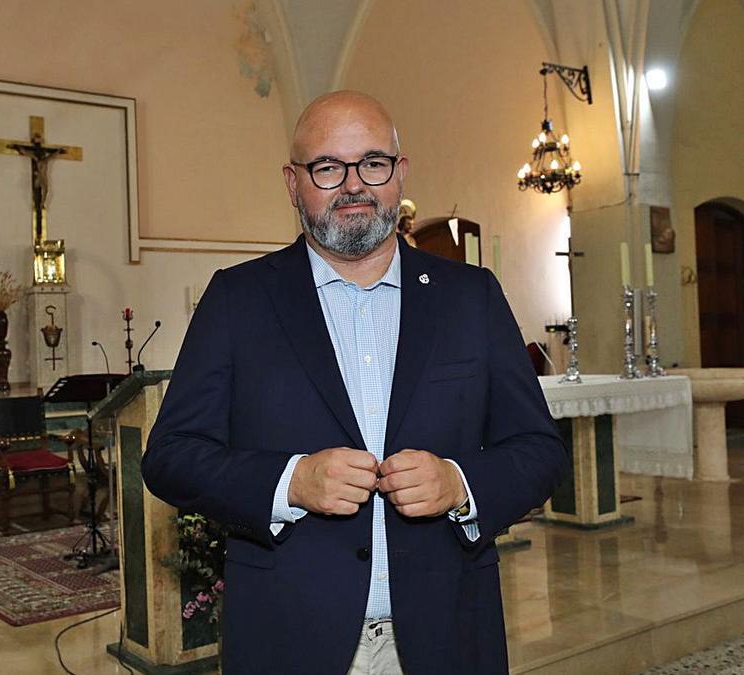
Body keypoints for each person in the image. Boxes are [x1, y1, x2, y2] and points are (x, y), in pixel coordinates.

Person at [141, 91, 568, 674]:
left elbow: (540, 452)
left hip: (449, 632)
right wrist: (290, 481)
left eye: (372, 163)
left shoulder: (472, 297)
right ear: (293, 183)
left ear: (400, 172)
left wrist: (461, 482)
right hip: (288, 636)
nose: (353, 185)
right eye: (327, 167)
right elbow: (170, 457)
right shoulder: (237, 300)